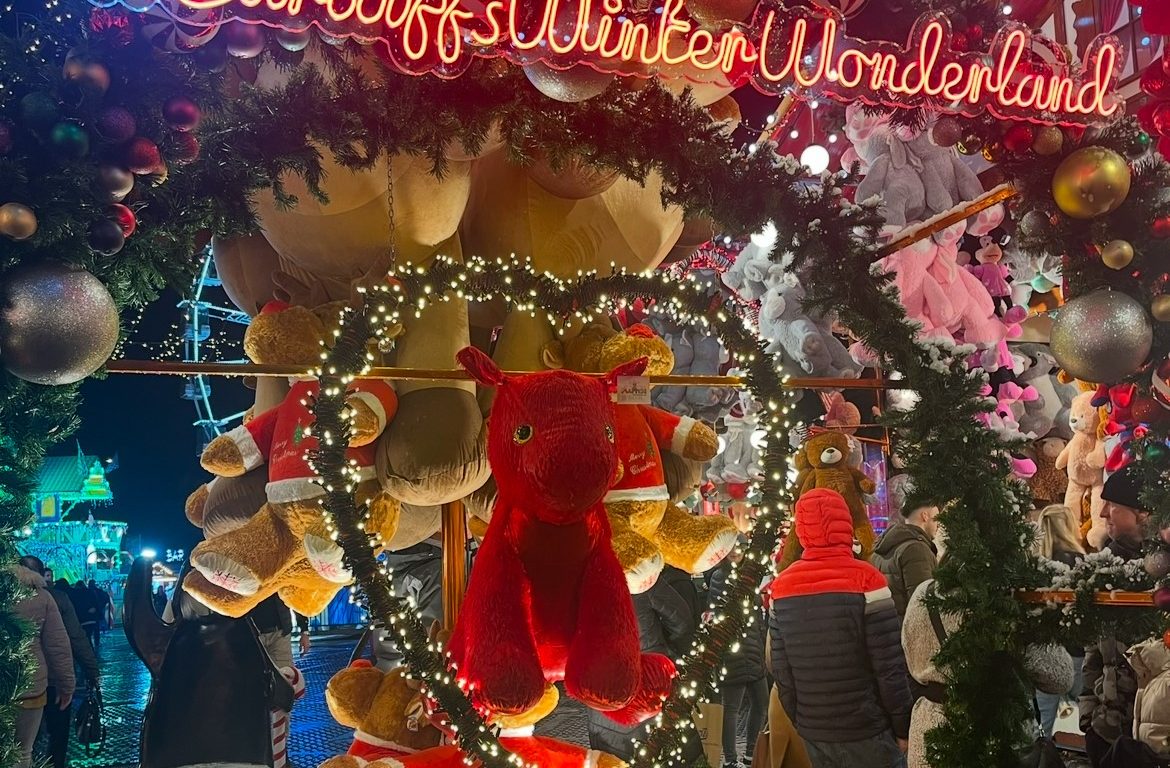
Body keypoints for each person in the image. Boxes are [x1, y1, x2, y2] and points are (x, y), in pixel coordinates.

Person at [768, 489, 911, 768]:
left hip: (815, 732)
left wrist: (804, 721)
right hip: (868, 729)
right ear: (845, 523)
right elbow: (889, 666)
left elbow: (781, 672)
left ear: (802, 530)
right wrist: (903, 727)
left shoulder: (781, 587)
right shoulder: (868, 580)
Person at [587, 565, 699, 761]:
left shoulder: (581, 582)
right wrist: (671, 655)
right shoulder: (641, 574)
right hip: (649, 692)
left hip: (600, 704)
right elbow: (682, 621)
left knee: (611, 761)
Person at [1080, 465, 1150, 767]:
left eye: (1113, 506)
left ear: (1142, 513)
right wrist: (1088, 716)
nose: (1103, 513)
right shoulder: (1105, 570)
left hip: (1154, 731)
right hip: (1106, 728)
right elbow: (1093, 650)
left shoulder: (1158, 574)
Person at [20, 557, 101, 768]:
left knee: (23, 744)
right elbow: (72, 639)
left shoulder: (8, 598)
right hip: (54, 682)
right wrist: (90, 670)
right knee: (57, 737)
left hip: (22, 683)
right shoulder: (54, 598)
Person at [1030, 504, 1087, 738]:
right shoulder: (1078, 561)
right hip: (1074, 651)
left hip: (1043, 651)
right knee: (1083, 712)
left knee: (1043, 721)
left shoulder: (1034, 564)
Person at [11, 560, 75, 768]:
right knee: (22, 750)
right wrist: (66, 685)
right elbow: (58, 646)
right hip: (29, 687)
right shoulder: (41, 596)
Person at [710, 547, 769, 768]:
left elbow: (756, 614)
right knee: (731, 709)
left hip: (753, 648)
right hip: (732, 652)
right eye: (731, 548)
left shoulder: (750, 574)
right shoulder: (720, 577)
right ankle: (731, 760)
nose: (735, 552)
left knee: (761, 702)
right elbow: (718, 613)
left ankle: (750, 754)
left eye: (740, 547)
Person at [869, 495, 939, 621]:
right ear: (925, 516)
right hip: (909, 635)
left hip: (889, 631)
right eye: (936, 519)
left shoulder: (880, 550)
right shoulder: (916, 550)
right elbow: (923, 605)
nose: (938, 525)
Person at [72, 579, 100, 653]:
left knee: (86, 638)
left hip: (82, 620)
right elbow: (96, 604)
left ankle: (90, 655)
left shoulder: (75, 595)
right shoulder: (90, 592)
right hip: (92, 619)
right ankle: (92, 653)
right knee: (89, 636)